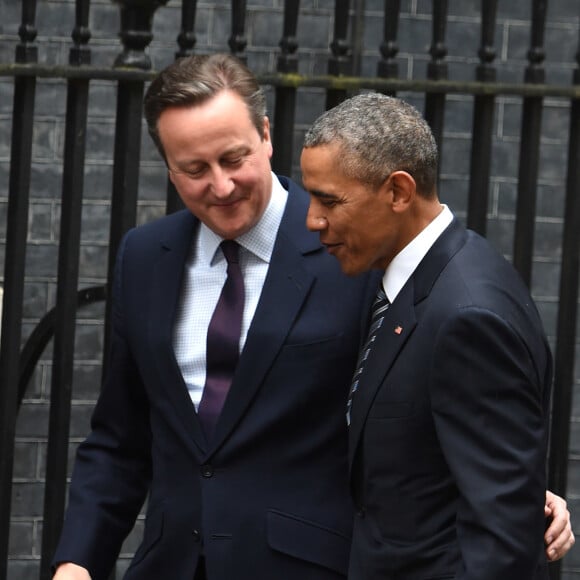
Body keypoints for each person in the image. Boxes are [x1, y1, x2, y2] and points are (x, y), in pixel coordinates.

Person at [52, 56, 572, 580]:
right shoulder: (143, 257)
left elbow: (428, 396)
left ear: (265, 135)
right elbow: (120, 436)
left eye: (234, 158)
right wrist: (77, 560)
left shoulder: (353, 241)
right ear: (167, 166)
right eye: (194, 169)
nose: (222, 185)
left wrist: (523, 493)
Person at [301, 92, 574, 579]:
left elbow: (503, 539)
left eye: (329, 201)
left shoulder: (468, 315)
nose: (313, 220)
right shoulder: (400, 278)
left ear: (399, 192)